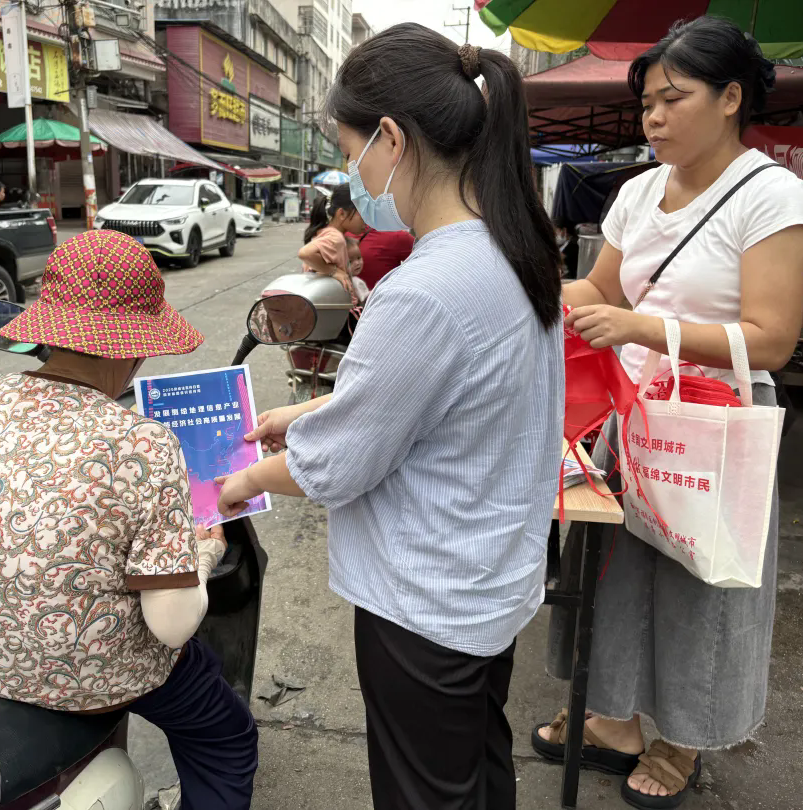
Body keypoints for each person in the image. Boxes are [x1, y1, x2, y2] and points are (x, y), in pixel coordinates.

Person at [216, 23, 564, 810]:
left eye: (352, 152)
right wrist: (310, 411)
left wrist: (239, 483)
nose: (354, 174)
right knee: (477, 771)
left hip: (426, 604)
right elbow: (442, 395)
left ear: (393, 139)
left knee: (427, 794)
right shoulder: (514, 248)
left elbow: (339, 464)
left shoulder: (427, 287)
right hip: (486, 581)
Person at [536, 17, 803, 809]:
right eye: (647, 105)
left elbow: (772, 339)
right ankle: (615, 720)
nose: (654, 118)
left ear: (731, 98)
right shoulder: (637, 192)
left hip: (715, 423)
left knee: (702, 582)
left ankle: (683, 738)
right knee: (614, 574)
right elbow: (601, 290)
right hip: (634, 415)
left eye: (673, 98)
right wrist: (527, 291)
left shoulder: (773, 195)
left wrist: (640, 329)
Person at [0, 229, 258, 809]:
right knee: (227, 736)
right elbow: (172, 626)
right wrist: (203, 553)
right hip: (94, 678)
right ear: (130, 347)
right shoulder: (143, 443)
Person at [299, 183, 361, 301]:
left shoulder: (325, 232)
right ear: (342, 214)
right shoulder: (335, 237)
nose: (367, 220)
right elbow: (305, 253)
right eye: (363, 214)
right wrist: (334, 272)